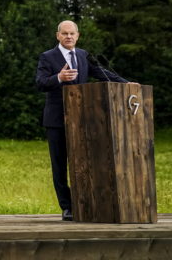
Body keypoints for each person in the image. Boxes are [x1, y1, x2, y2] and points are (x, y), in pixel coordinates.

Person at [35, 20, 128, 221]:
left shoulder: (84, 56)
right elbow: (40, 83)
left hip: (82, 119)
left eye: (72, 34)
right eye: (65, 33)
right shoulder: (47, 57)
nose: (69, 37)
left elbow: (102, 74)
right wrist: (58, 77)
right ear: (57, 35)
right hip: (56, 121)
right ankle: (67, 207)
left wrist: (127, 84)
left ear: (78, 35)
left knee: (84, 162)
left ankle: (85, 203)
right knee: (60, 165)